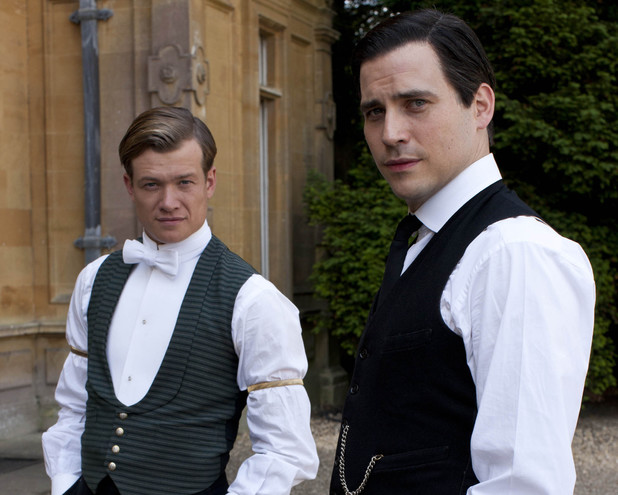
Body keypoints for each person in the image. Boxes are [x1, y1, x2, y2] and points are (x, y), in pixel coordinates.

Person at [329, 9, 595, 495]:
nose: (390, 133)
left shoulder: (513, 252)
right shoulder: (429, 238)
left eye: (415, 103)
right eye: (374, 111)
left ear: (480, 106)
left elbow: (522, 485)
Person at [42, 106, 319, 495]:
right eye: (151, 184)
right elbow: (74, 405)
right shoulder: (93, 280)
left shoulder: (253, 300)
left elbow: (284, 450)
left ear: (210, 181)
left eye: (184, 182)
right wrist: (65, 483)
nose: (168, 201)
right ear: (129, 185)